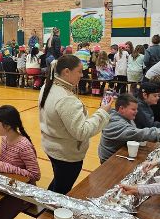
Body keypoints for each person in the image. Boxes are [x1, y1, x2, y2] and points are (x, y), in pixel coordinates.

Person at [39, 54, 111, 194]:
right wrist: (102, 112)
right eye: (79, 71)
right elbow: (81, 131)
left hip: (53, 147)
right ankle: (50, 213)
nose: (82, 75)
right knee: (62, 190)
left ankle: (47, 203)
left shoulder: (48, 86)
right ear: (66, 72)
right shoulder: (65, 98)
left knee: (59, 182)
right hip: (66, 154)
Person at [97, 93, 160, 162]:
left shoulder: (126, 117)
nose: (137, 111)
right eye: (133, 109)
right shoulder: (115, 124)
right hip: (109, 160)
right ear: (122, 109)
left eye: (136, 109)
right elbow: (137, 133)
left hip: (120, 153)